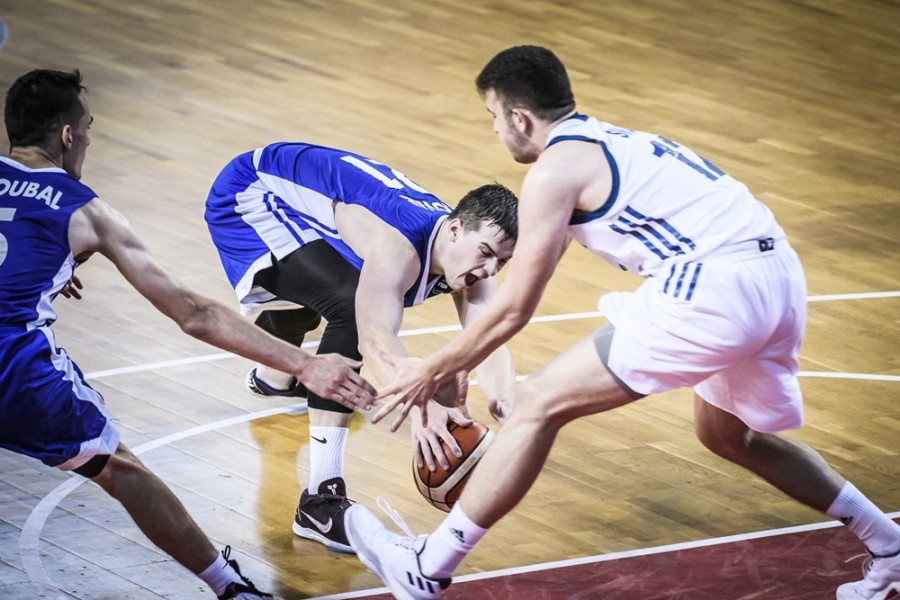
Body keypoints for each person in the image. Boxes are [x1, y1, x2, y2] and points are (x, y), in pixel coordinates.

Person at [343, 46, 900, 600]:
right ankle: (892, 547)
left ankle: (428, 567)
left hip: (711, 288)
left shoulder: (552, 172)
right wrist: (470, 369)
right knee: (730, 436)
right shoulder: (610, 140)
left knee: (538, 404)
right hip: (777, 275)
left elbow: (513, 309)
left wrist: (432, 370)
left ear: (520, 117)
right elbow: (514, 295)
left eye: (493, 116)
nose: (494, 129)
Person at [0, 69, 377, 600]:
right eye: (86, 128)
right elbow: (195, 314)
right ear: (67, 136)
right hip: (16, 373)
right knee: (120, 470)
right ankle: (230, 588)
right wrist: (307, 365)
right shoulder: (85, 210)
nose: (86, 139)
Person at [204, 142, 518, 554]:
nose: (490, 270)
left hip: (310, 201)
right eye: (486, 254)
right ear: (456, 229)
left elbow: (489, 339)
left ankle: (274, 376)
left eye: (502, 262)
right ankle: (320, 500)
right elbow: (373, 337)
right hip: (251, 193)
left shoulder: (466, 255)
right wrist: (421, 407)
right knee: (350, 305)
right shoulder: (398, 245)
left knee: (326, 287)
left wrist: (510, 410)